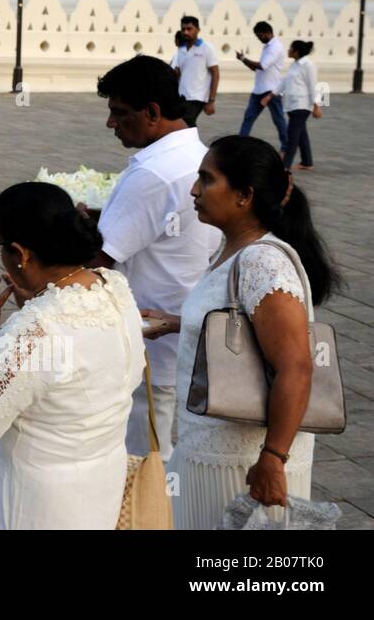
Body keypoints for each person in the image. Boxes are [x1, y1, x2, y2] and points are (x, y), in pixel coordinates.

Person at [142, 136, 340, 529]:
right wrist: (180, 324)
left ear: (244, 195)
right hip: (212, 451)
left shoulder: (263, 262)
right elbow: (244, 330)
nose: (195, 190)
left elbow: (297, 368)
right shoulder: (234, 250)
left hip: (244, 462)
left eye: (207, 179)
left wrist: (273, 458)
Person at [0, 182, 144, 529]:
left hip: (38, 502)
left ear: (20, 253)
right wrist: (35, 299)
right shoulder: (113, 287)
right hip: (100, 479)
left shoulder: (36, 330)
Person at [94, 56, 219, 462]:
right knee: (160, 455)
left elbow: (101, 259)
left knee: (143, 462)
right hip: (179, 334)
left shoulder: (156, 173)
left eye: (119, 113)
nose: (111, 124)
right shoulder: (196, 158)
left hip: (149, 342)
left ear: (151, 112)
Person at [236, 21, 288, 152]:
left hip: (271, 90)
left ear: (268, 33)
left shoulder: (275, 47)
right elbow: (258, 69)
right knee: (249, 117)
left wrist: (244, 59)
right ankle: (240, 144)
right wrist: (243, 60)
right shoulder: (268, 47)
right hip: (259, 89)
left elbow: (262, 65)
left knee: (278, 120)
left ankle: (287, 146)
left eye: (260, 36)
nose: (259, 39)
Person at [281, 40, 323, 170]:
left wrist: (316, 106)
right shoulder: (294, 65)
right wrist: (271, 94)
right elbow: (285, 82)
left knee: (292, 136)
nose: (288, 51)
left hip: (302, 105)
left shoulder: (308, 65)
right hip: (292, 105)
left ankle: (285, 166)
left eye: (290, 48)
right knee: (301, 134)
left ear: (296, 52)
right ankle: (307, 162)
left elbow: (313, 86)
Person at [171, 15, 219, 127]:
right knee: (185, 126)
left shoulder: (207, 48)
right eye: (183, 29)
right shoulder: (181, 50)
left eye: (189, 29)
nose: (186, 32)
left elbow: (215, 74)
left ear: (198, 30)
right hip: (181, 97)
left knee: (185, 124)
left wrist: (211, 101)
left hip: (198, 97)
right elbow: (176, 73)